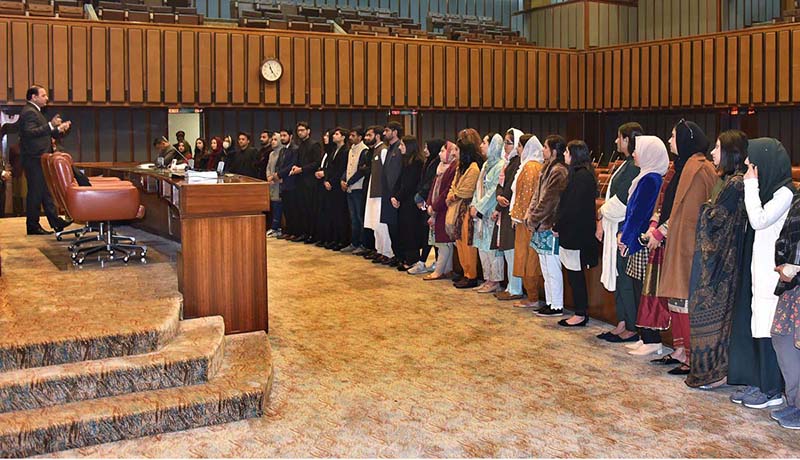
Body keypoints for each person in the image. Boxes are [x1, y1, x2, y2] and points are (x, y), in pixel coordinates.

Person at [729, 138, 794, 409]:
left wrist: (751, 185)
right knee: (758, 326)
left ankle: (772, 389)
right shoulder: (768, 191)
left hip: (773, 274)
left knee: (769, 329)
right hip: (759, 271)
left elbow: (758, 220)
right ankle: (760, 381)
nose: (746, 165)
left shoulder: (785, 194)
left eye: (752, 162)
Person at [648, 120, 716, 368]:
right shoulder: (680, 166)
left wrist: (662, 231)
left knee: (684, 299)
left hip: (688, 244)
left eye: (673, 136)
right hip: (675, 240)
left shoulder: (699, 168)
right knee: (675, 299)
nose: (669, 141)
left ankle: (690, 355)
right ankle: (679, 350)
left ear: (686, 139)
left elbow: (689, 212)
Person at [685, 130, 749, 388]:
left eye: (719, 147)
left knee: (717, 317)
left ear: (731, 152)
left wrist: (704, 210)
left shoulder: (736, 184)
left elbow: (716, 220)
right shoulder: (731, 181)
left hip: (725, 264)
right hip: (725, 261)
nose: (713, 152)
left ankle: (715, 371)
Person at [596, 123, 643, 342]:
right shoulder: (626, 163)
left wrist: (601, 211)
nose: (616, 142)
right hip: (615, 225)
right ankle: (622, 321)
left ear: (627, 139)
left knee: (625, 277)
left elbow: (624, 199)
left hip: (624, 227)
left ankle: (631, 326)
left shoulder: (635, 165)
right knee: (619, 274)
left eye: (619, 138)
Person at [556, 140, 599, 327]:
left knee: (576, 275)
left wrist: (558, 226)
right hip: (572, 232)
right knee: (573, 275)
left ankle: (580, 313)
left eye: (567, 151)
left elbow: (572, 207)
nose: (564, 154)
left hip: (576, 234)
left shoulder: (582, 177)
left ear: (575, 154)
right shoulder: (578, 175)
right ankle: (579, 311)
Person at [526, 135, 569, 317]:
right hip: (540, 223)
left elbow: (550, 200)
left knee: (552, 266)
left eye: (545, 147)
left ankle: (557, 305)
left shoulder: (559, 171)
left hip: (550, 224)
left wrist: (534, 217)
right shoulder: (547, 168)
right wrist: (531, 214)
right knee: (544, 265)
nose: (543, 150)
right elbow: (537, 196)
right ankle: (550, 301)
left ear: (553, 150)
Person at [19, 85, 71, 235]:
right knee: (36, 192)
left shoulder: (35, 112)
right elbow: (29, 133)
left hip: (39, 157)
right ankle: (33, 226)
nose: (47, 98)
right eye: (43, 95)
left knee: (44, 191)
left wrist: (57, 130)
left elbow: (41, 134)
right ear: (34, 97)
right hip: (34, 158)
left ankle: (55, 222)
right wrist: (50, 125)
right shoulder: (29, 112)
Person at [770, 187, 800, 429]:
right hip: (791, 282)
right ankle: (795, 401)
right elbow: (786, 235)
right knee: (782, 337)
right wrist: (782, 264)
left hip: (796, 277)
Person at [511, 135, 545, 309]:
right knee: (527, 258)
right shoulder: (532, 165)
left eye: (519, 146)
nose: (517, 149)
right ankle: (531, 296)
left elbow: (527, 196)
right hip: (526, 219)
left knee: (528, 259)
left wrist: (518, 216)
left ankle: (533, 297)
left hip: (527, 222)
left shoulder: (531, 167)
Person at [470, 133, 506, 293]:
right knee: (482, 247)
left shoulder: (501, 165)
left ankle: (495, 280)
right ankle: (487, 278)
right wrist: (473, 205)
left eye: (485, 142)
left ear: (493, 145)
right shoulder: (485, 165)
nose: (482, 145)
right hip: (479, 212)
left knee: (492, 248)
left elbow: (493, 191)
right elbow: (477, 187)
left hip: (491, 212)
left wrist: (480, 207)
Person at [493, 128, 525, 301]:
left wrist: (502, 199)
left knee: (512, 251)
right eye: (505, 142)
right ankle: (510, 286)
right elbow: (501, 184)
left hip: (510, 210)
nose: (505, 146)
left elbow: (512, 187)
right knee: (506, 250)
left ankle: (515, 288)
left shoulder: (518, 163)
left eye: (509, 143)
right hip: (504, 208)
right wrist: (499, 196)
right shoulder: (508, 162)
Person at [408, 138, 445, 275]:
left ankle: (426, 262)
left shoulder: (437, 164)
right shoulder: (429, 162)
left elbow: (430, 184)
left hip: (431, 203)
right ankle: (428, 261)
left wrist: (421, 196)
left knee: (429, 234)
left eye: (427, 147)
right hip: (426, 202)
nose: (424, 150)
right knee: (428, 234)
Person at [423, 141, 459, 281]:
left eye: (443, 151)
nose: (439, 154)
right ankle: (447, 269)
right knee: (443, 243)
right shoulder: (440, 167)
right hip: (437, 209)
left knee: (444, 243)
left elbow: (445, 192)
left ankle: (439, 271)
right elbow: (433, 188)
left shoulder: (453, 168)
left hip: (445, 209)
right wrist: (429, 204)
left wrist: (435, 206)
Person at [449, 138, 482, 289]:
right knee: (459, 242)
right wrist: (452, 194)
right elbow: (453, 186)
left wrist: (453, 195)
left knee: (467, 243)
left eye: (458, 150)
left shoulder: (474, 168)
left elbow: (466, 190)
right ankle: (465, 272)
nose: (455, 153)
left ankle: (471, 275)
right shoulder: (459, 168)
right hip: (457, 208)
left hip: (467, 209)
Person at [392, 136, 427, 271]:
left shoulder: (417, 163)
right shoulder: (407, 161)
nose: (400, 147)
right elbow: (399, 181)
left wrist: (398, 197)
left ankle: (412, 259)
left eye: (402, 145)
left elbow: (410, 184)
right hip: (404, 201)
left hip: (411, 203)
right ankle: (406, 257)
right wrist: (394, 196)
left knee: (411, 230)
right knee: (404, 230)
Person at [289, 122, 322, 243]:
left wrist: (301, 169)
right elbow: (298, 161)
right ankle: (304, 233)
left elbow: (316, 163)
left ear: (308, 131)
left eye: (302, 130)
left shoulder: (315, 144)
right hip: (300, 182)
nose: (300, 132)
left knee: (310, 209)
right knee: (301, 209)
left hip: (310, 182)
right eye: (298, 131)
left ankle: (312, 234)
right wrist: (295, 167)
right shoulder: (300, 146)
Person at [364, 126, 393, 263]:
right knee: (375, 224)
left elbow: (387, 174)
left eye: (369, 135)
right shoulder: (375, 150)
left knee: (382, 225)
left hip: (381, 193)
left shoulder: (383, 150)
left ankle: (387, 252)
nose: (366, 137)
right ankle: (379, 250)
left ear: (377, 136)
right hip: (373, 192)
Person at [341, 127, 369, 253]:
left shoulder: (364, 150)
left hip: (358, 187)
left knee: (359, 216)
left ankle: (362, 244)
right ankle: (354, 242)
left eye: (353, 135)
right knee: (353, 217)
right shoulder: (351, 149)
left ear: (360, 137)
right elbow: (347, 167)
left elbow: (361, 170)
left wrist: (349, 182)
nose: (350, 137)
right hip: (349, 188)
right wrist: (343, 179)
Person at [380, 122, 404, 267]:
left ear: (394, 132)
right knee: (390, 225)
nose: (384, 133)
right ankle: (396, 254)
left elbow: (398, 174)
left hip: (394, 194)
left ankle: (401, 255)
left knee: (396, 227)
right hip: (387, 193)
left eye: (387, 130)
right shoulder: (390, 148)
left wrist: (396, 194)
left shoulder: (399, 148)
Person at [321, 128, 350, 250]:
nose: (334, 136)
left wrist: (331, 181)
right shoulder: (334, 150)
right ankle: (335, 238)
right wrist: (326, 179)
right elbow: (329, 168)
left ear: (343, 137)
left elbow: (341, 169)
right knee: (332, 213)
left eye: (337, 134)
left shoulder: (345, 151)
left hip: (338, 185)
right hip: (330, 184)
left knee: (340, 214)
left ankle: (343, 240)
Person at [274, 130, 300, 241]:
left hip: (291, 183)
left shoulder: (295, 149)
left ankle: (295, 231)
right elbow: (279, 165)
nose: (283, 138)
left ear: (291, 136)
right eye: (281, 136)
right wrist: (277, 174)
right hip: (283, 183)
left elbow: (291, 165)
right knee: (286, 209)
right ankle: (288, 230)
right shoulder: (282, 150)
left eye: (285, 136)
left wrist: (279, 174)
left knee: (293, 209)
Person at [266, 133, 284, 238]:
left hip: (279, 182)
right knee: (273, 204)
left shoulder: (283, 153)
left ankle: (276, 227)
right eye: (272, 139)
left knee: (278, 205)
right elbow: (268, 167)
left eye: (275, 139)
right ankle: (274, 226)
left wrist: (275, 177)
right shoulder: (271, 154)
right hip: (271, 183)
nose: (272, 141)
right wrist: (269, 176)